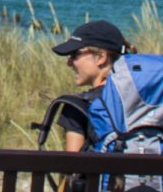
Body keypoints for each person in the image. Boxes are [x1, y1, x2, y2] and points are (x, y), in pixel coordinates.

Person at [47, 19, 130, 152]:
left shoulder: (77, 106)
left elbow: (73, 163)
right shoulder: (144, 97)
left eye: (74, 55)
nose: (69, 63)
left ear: (100, 57)